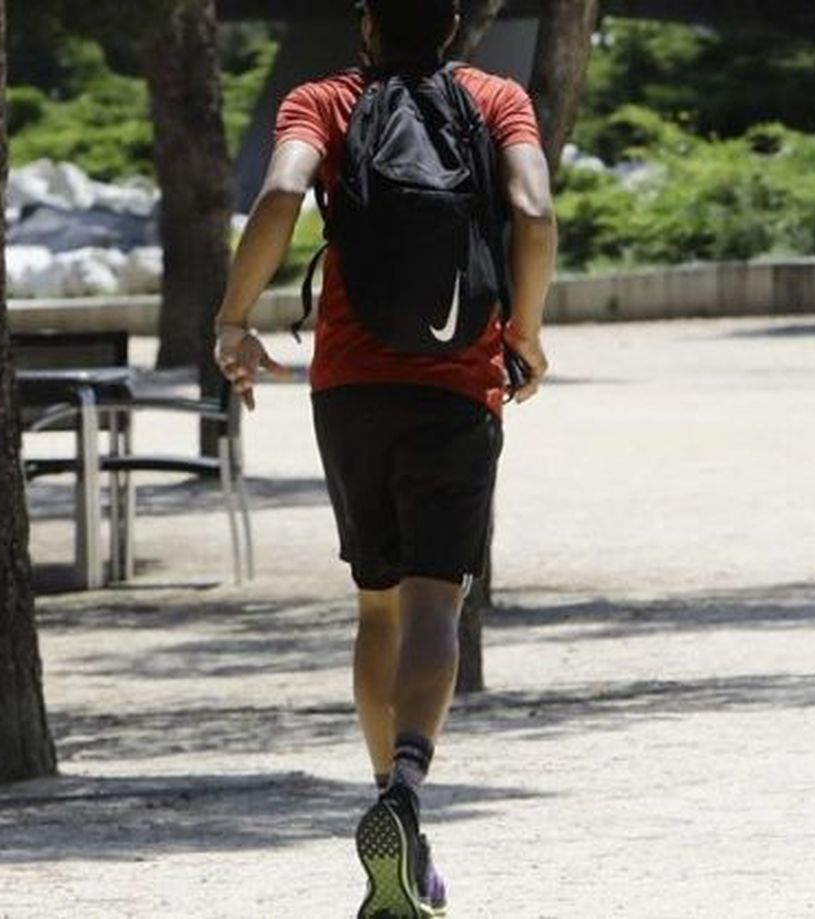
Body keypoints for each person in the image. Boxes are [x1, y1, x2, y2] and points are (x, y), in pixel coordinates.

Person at [212, 0, 557, 913]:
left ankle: (387, 804)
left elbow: (282, 193)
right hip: (459, 383)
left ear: (366, 24)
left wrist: (233, 318)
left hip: (352, 388)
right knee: (437, 601)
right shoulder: (497, 99)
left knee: (376, 607)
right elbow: (534, 209)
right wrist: (525, 332)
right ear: (451, 26)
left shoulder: (321, 100)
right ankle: (409, 784)